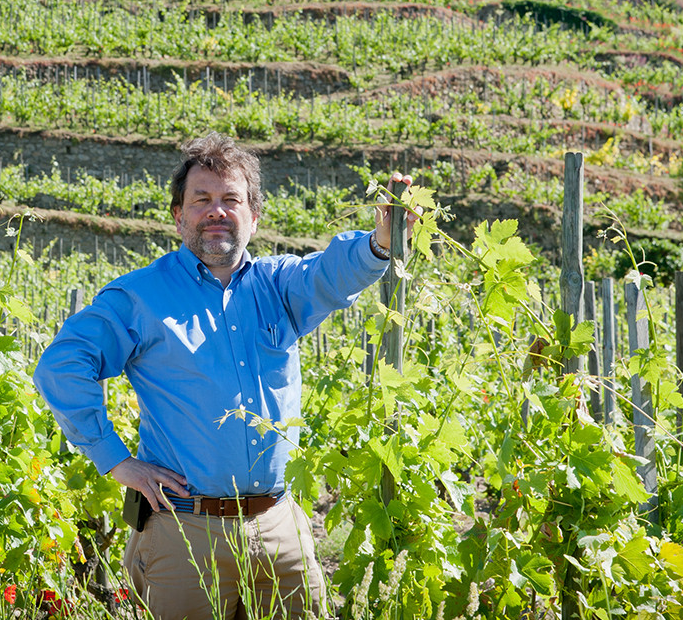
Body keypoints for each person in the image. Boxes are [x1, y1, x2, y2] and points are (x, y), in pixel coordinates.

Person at [33, 133, 414, 619]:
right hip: (186, 534)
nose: (217, 211)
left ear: (254, 216)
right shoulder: (141, 297)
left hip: (280, 532)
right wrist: (115, 460)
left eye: (231, 199)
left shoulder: (278, 286)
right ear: (178, 215)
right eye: (202, 200)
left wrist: (381, 243)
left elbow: (330, 273)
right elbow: (62, 366)